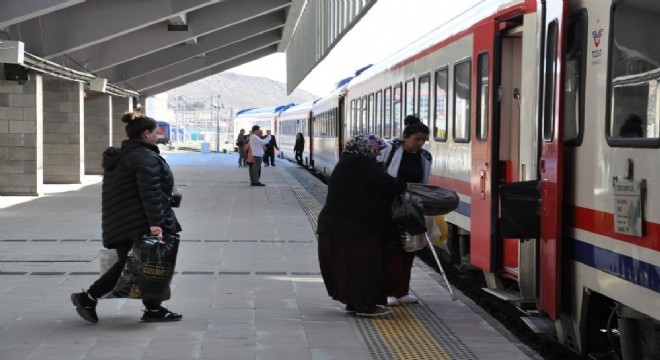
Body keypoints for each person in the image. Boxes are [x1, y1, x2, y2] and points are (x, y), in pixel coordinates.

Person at [70, 112, 183, 323]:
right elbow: (150, 194)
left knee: (142, 265)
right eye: (156, 132)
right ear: (146, 133)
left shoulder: (123, 156)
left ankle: (153, 308)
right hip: (138, 222)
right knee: (138, 264)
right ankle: (88, 297)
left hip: (123, 221)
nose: (158, 135)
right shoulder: (144, 157)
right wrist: (156, 224)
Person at [317, 134, 407, 317]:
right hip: (353, 227)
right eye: (376, 150)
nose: (378, 154)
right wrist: (405, 186)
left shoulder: (349, 161)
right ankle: (366, 305)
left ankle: (354, 302)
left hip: (340, 225)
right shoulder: (360, 163)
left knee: (350, 266)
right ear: (367, 148)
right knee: (365, 266)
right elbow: (389, 184)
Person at [379, 115, 432, 307]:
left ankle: (402, 290)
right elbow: (380, 175)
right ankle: (387, 290)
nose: (420, 143)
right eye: (417, 139)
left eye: (424, 140)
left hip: (411, 207)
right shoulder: (390, 150)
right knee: (391, 248)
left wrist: (421, 201)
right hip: (389, 206)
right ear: (406, 136)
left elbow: (423, 183)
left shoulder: (425, 157)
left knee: (409, 249)